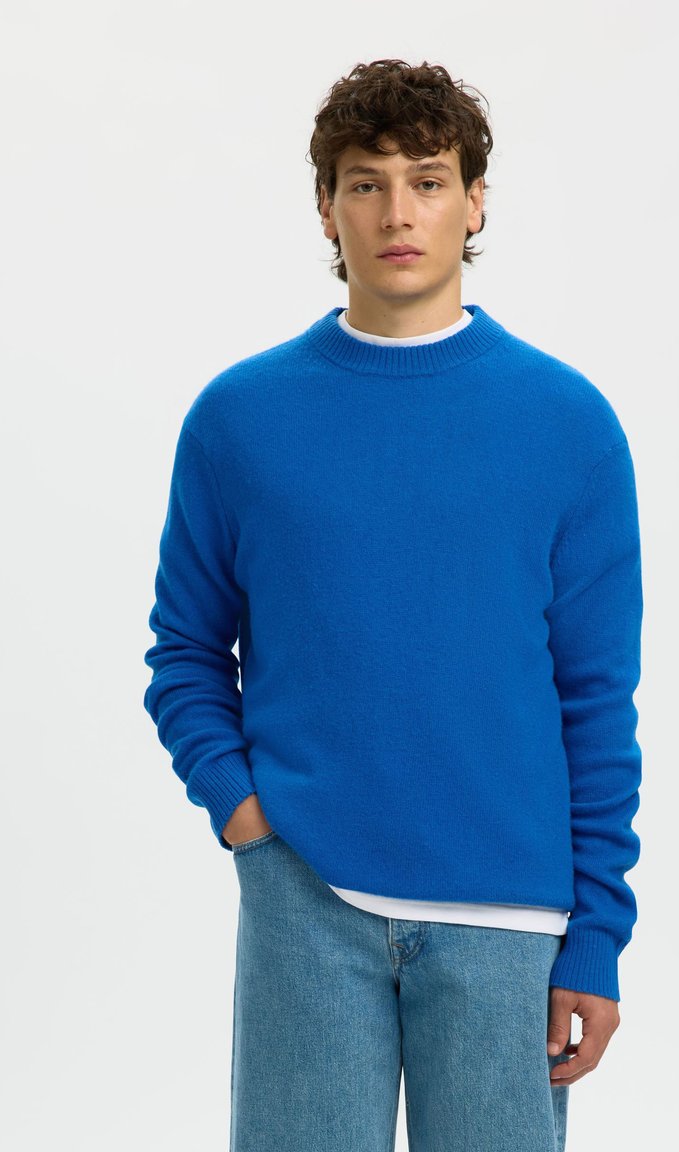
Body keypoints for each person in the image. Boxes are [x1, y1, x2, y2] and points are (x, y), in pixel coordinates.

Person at [143, 58, 644, 1152]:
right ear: (326, 207)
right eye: (365, 183)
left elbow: (596, 699)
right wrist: (244, 816)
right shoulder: (239, 419)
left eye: (427, 180)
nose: (396, 213)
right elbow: (185, 650)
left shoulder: (567, 425)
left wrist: (597, 935)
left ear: (475, 202)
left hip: (508, 922)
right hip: (306, 897)